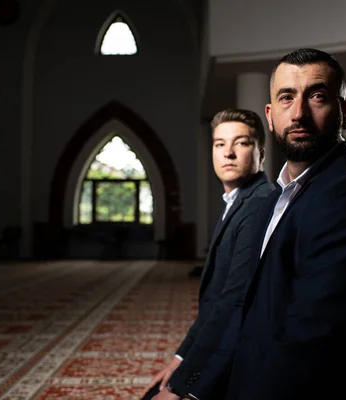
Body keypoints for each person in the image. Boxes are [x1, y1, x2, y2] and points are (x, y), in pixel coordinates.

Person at [225, 48, 346, 399]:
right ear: (270, 115)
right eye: (286, 97)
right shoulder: (281, 195)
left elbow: (309, 346)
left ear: (345, 113)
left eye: (318, 96)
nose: (299, 113)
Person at [140, 108, 275, 400]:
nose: (228, 153)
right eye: (219, 144)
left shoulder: (259, 204)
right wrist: (179, 360)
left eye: (241, 143)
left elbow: (234, 302)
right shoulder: (238, 201)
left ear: (260, 153)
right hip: (226, 345)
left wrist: (185, 387)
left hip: (244, 361)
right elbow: (214, 304)